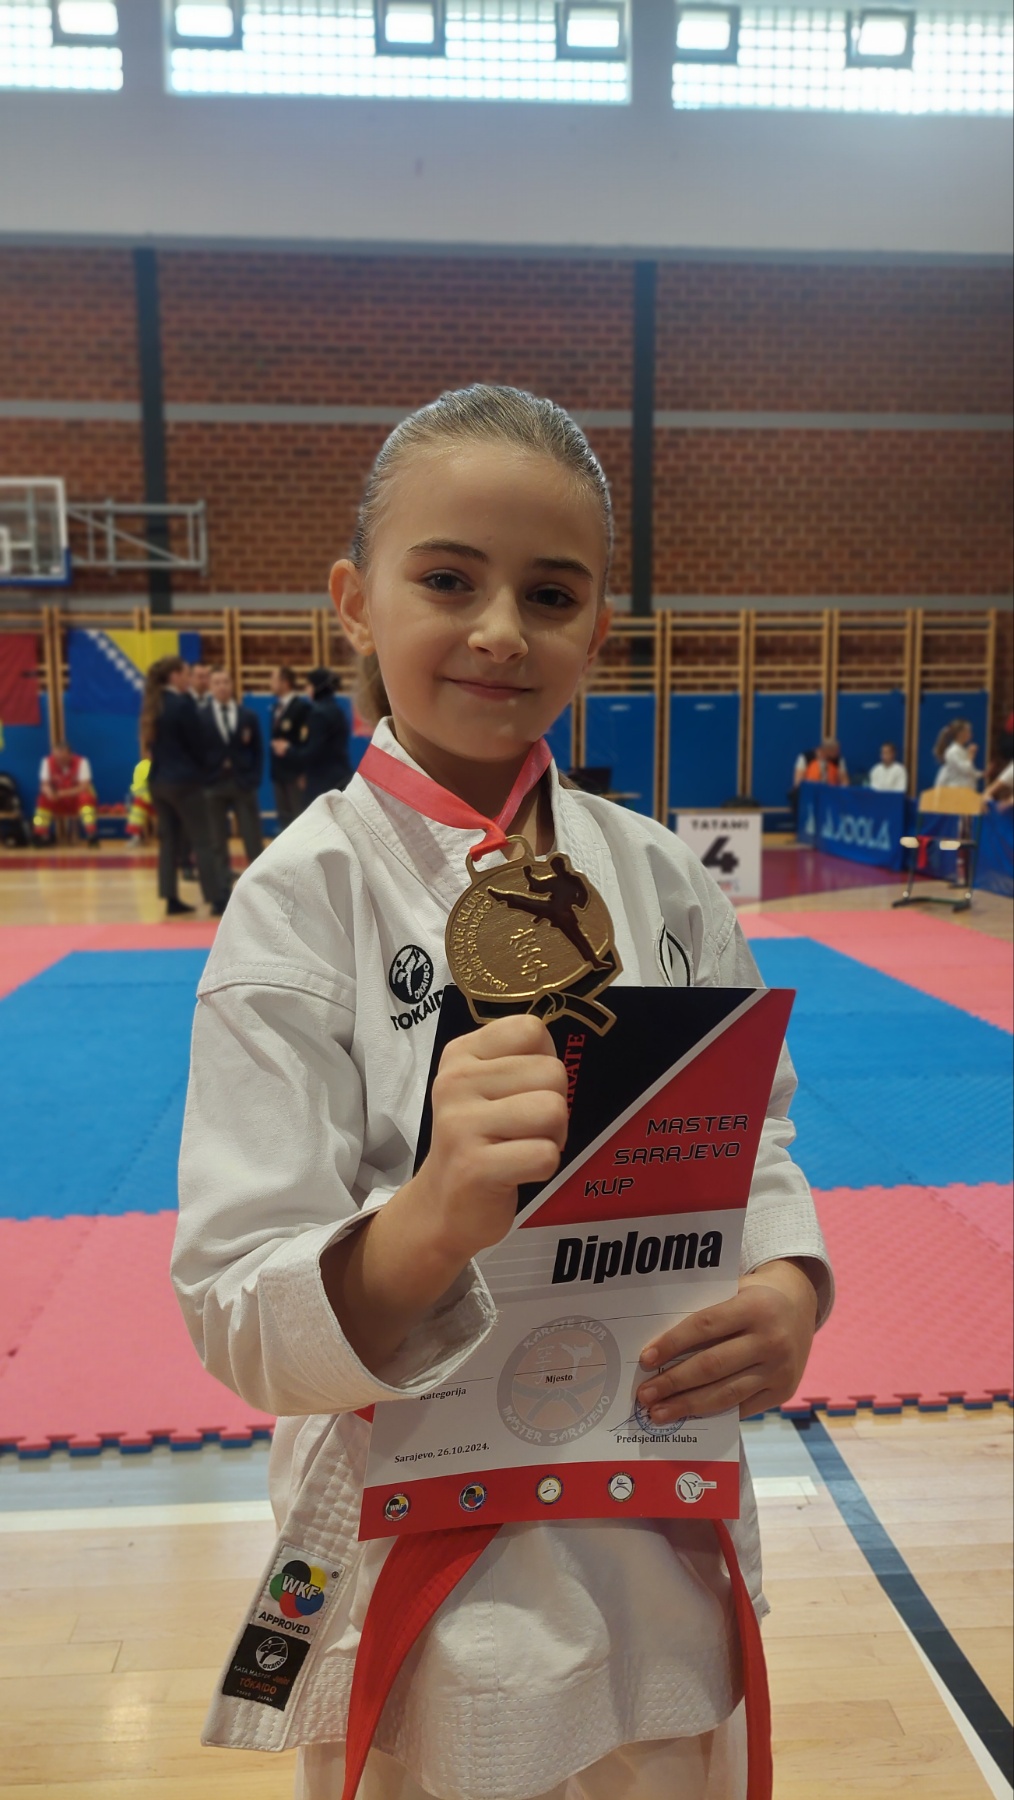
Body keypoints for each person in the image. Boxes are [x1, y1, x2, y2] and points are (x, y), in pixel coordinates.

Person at [173, 386, 832, 1800]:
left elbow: (757, 1130)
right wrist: (424, 1220)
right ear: (354, 602)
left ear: (600, 629)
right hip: (430, 1560)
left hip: (655, 1509)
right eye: (446, 579)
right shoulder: (301, 903)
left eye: (549, 593)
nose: (497, 631)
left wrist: (788, 1288)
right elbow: (234, 1302)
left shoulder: (660, 878)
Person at [141, 656, 226, 917]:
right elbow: (196, 744)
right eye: (186, 674)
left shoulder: (153, 705)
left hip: (159, 782)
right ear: (174, 676)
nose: (189, 679)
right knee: (203, 840)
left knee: (168, 841)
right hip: (185, 782)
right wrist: (205, 770)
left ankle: (170, 897)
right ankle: (217, 897)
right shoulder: (182, 705)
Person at [202, 665, 264, 897]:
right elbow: (194, 751)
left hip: (242, 784)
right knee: (216, 840)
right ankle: (221, 892)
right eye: (217, 682)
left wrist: (254, 778)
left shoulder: (248, 716)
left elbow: (258, 750)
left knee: (252, 838)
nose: (222, 687)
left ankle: (261, 889)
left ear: (232, 685)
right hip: (213, 784)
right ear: (210, 687)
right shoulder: (201, 717)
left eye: (225, 682)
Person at [271, 664, 352, 803]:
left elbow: (312, 753)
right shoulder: (336, 710)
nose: (306, 689)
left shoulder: (318, 714)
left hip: (323, 783)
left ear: (317, 686)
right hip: (340, 777)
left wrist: (287, 749)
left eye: (308, 685)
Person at [269, 663, 312, 832]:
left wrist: (304, 772)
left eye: (273, 679)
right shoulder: (276, 707)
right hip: (279, 773)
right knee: (284, 821)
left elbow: (307, 742)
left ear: (285, 682)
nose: (270, 683)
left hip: (295, 774)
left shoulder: (301, 707)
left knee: (298, 820)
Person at [33, 741, 99, 845]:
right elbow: (44, 784)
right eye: (57, 758)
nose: (59, 760)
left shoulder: (82, 762)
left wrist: (61, 794)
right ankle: (39, 835)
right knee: (42, 799)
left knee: (86, 798)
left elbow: (84, 786)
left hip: (76, 800)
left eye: (62, 758)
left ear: (70, 755)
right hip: (58, 801)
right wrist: (49, 792)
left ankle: (92, 834)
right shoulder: (47, 762)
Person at [933, 719, 981, 790]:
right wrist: (971, 755)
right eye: (968, 731)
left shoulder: (962, 750)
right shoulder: (953, 751)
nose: (971, 734)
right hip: (956, 791)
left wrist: (983, 774)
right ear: (960, 734)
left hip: (964, 791)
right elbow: (966, 769)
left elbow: (970, 772)